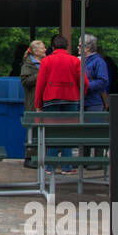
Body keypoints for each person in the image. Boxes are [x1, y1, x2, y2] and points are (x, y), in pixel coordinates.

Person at [33, 34, 84, 171]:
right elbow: (84, 82)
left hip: (51, 100)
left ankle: (50, 166)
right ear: (67, 46)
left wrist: (38, 104)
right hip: (71, 99)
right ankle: (66, 166)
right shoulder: (75, 61)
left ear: (52, 47)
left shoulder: (47, 61)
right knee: (68, 133)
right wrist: (78, 95)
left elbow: (40, 84)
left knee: (52, 132)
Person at [20, 40, 46, 167]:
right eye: (42, 48)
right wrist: (40, 75)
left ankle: (39, 156)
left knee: (41, 130)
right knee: (32, 130)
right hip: (32, 102)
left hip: (43, 101)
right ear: (35, 51)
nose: (45, 50)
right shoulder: (27, 66)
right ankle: (29, 157)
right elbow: (25, 82)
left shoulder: (45, 63)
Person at [80, 35, 110, 112]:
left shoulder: (99, 61)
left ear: (87, 48)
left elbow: (103, 81)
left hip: (94, 102)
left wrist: (85, 86)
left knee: (93, 124)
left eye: (80, 46)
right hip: (82, 102)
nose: (78, 47)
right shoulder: (82, 60)